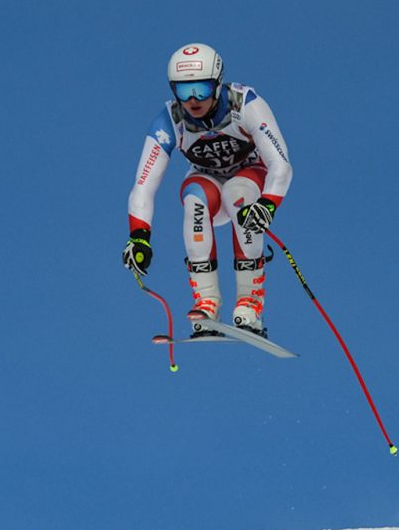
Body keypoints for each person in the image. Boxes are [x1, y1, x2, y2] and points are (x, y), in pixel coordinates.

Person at [122, 43, 293, 338]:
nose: (192, 100)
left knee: (238, 194)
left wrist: (268, 204)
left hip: (249, 177)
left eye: (201, 88)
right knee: (195, 199)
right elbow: (143, 186)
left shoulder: (244, 104)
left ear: (217, 82)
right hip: (207, 183)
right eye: (183, 90)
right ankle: (206, 301)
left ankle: (250, 304)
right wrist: (139, 237)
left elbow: (281, 164)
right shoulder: (171, 119)